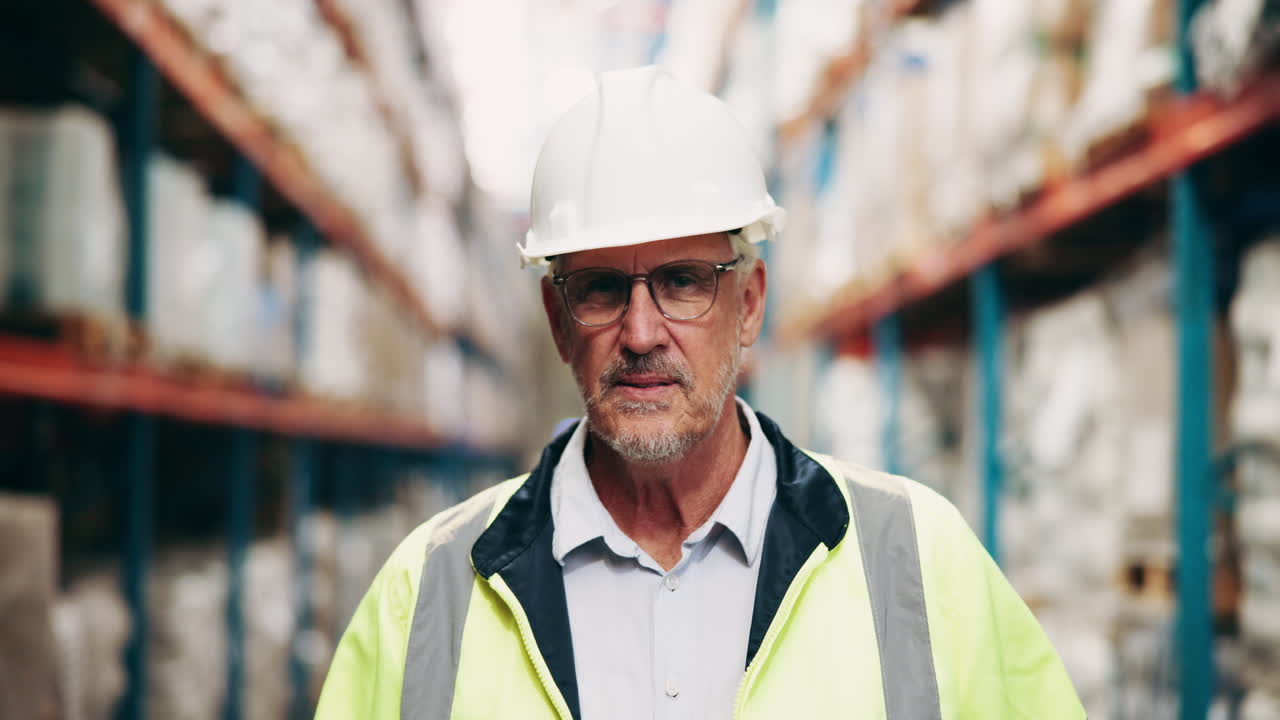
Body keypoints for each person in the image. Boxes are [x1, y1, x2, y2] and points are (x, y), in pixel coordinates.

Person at [314, 66, 1084, 720]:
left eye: (683, 282)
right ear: (557, 321)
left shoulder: (919, 561)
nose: (642, 332)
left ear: (749, 304)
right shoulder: (427, 595)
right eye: (602, 288)